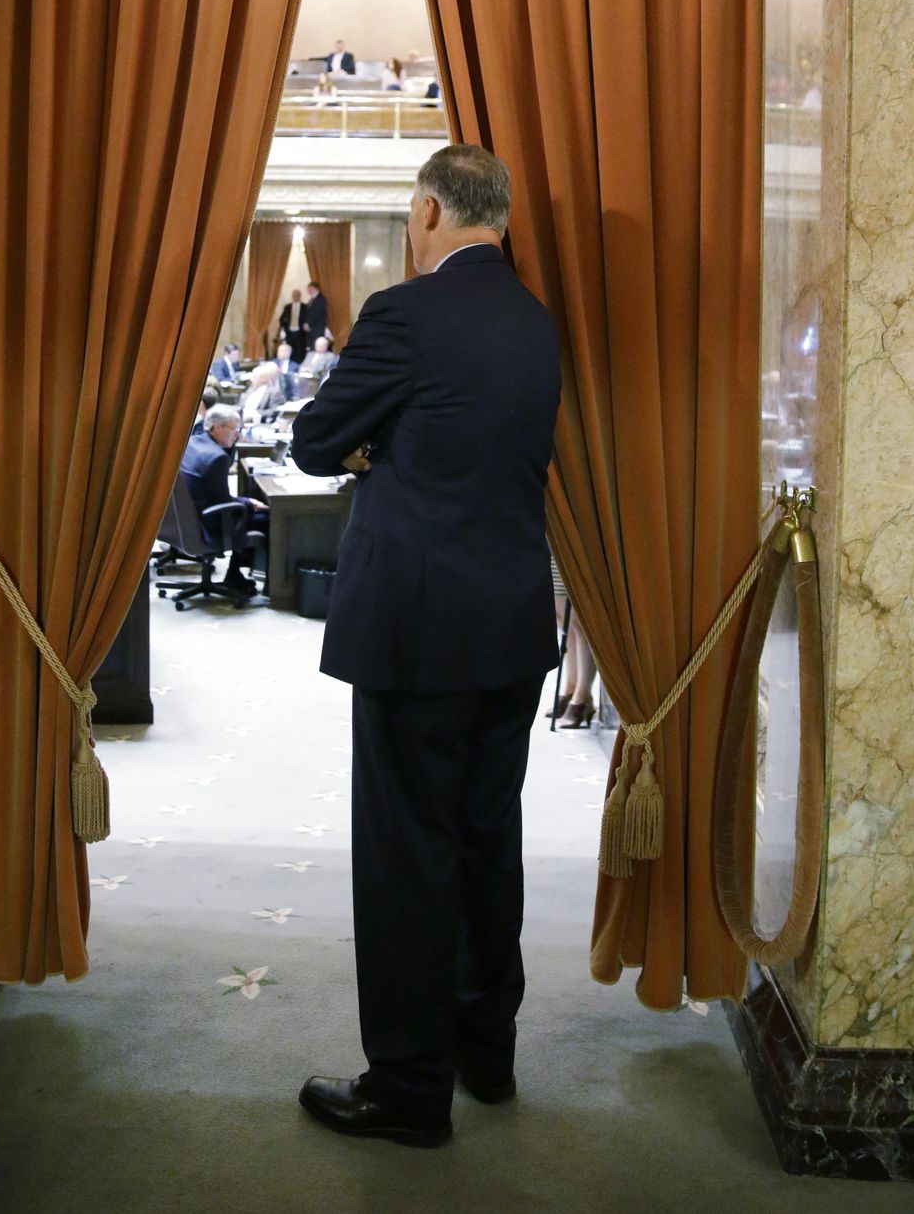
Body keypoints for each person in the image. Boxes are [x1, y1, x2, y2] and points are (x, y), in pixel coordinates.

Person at [291, 143, 560, 1147]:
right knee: (490, 841)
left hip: (416, 630)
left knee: (408, 854)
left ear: (426, 213)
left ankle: (408, 1087)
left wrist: (379, 439)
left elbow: (320, 440)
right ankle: (486, 1055)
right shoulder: (538, 324)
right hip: (509, 624)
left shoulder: (406, 312)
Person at [180, 404, 268, 596]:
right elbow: (224, 502)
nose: (237, 435)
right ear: (217, 428)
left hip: (189, 520)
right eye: (234, 429)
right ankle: (267, 584)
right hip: (210, 523)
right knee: (270, 520)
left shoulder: (193, 442)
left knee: (249, 512)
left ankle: (235, 573)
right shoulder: (216, 458)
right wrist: (248, 502)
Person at [543, 559, 597, 728]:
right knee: (562, 617)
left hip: (575, 539)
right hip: (551, 539)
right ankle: (571, 687)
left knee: (580, 622)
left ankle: (582, 697)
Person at [278, 288, 307, 363]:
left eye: (297, 295)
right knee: (290, 352)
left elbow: (308, 319)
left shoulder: (305, 307)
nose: (295, 297)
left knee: (300, 352)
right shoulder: (287, 307)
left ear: (300, 296)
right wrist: (285, 328)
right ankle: (290, 367)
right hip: (289, 333)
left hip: (300, 333)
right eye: (294, 295)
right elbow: (281, 319)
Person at [304, 280, 328, 345]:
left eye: (309, 288)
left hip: (317, 328)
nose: (308, 290)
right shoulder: (311, 300)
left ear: (315, 288)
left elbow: (318, 314)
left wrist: (308, 323)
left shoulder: (321, 299)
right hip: (311, 328)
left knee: (316, 346)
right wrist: (306, 323)